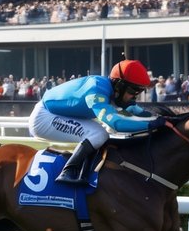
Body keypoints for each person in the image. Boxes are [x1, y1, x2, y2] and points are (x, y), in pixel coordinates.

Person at [29, 59, 166, 186]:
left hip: (57, 113)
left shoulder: (114, 91)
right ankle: (68, 172)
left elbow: (136, 111)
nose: (134, 96)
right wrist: (151, 125)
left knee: (98, 133)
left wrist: (161, 118)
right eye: (133, 91)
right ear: (119, 85)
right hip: (44, 117)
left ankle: (85, 171)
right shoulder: (96, 89)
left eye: (139, 91)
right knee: (98, 133)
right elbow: (116, 124)